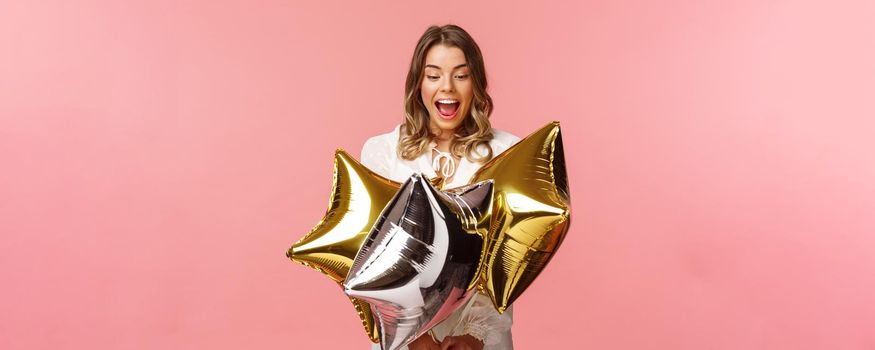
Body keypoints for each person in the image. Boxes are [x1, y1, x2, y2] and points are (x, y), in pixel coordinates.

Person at [360, 24, 519, 350]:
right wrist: (415, 334)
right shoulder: (382, 153)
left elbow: (512, 255)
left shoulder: (508, 154)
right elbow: (372, 261)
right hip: (404, 340)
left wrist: (477, 334)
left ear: (476, 82)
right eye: (433, 75)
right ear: (418, 83)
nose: (447, 87)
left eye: (460, 75)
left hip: (482, 339)